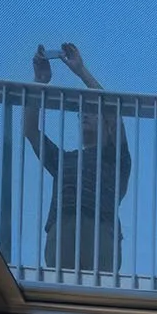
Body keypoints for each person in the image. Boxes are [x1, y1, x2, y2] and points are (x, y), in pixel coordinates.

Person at [24, 43, 132, 274]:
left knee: (99, 293)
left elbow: (113, 111)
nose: (85, 114)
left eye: (93, 111)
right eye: (82, 112)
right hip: (63, 229)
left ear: (106, 125)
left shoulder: (116, 158)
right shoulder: (64, 160)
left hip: (101, 231)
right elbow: (31, 131)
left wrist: (81, 71)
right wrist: (39, 81)